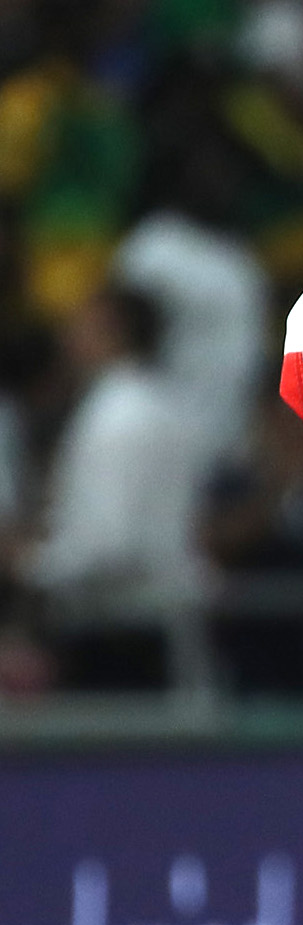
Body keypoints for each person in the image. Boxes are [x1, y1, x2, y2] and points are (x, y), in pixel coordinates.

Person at [17, 281, 211, 689]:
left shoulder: (117, 418)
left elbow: (110, 545)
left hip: (119, 628)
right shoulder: (162, 404)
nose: (68, 336)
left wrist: (31, 563)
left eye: (80, 323)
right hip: (157, 620)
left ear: (114, 330)